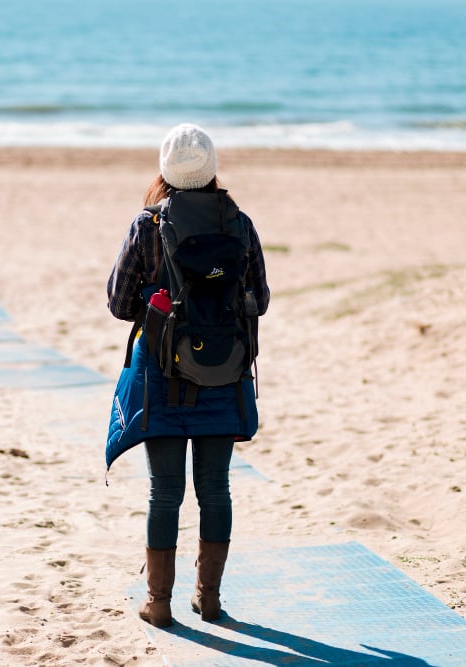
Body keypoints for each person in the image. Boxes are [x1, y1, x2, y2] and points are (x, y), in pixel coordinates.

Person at [105, 123, 270, 627]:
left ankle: (158, 604)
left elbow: (117, 302)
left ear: (165, 170)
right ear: (212, 168)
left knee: (165, 492)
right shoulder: (238, 224)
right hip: (224, 371)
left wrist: (159, 310)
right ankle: (211, 599)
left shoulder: (149, 225)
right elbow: (259, 300)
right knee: (216, 489)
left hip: (162, 375)